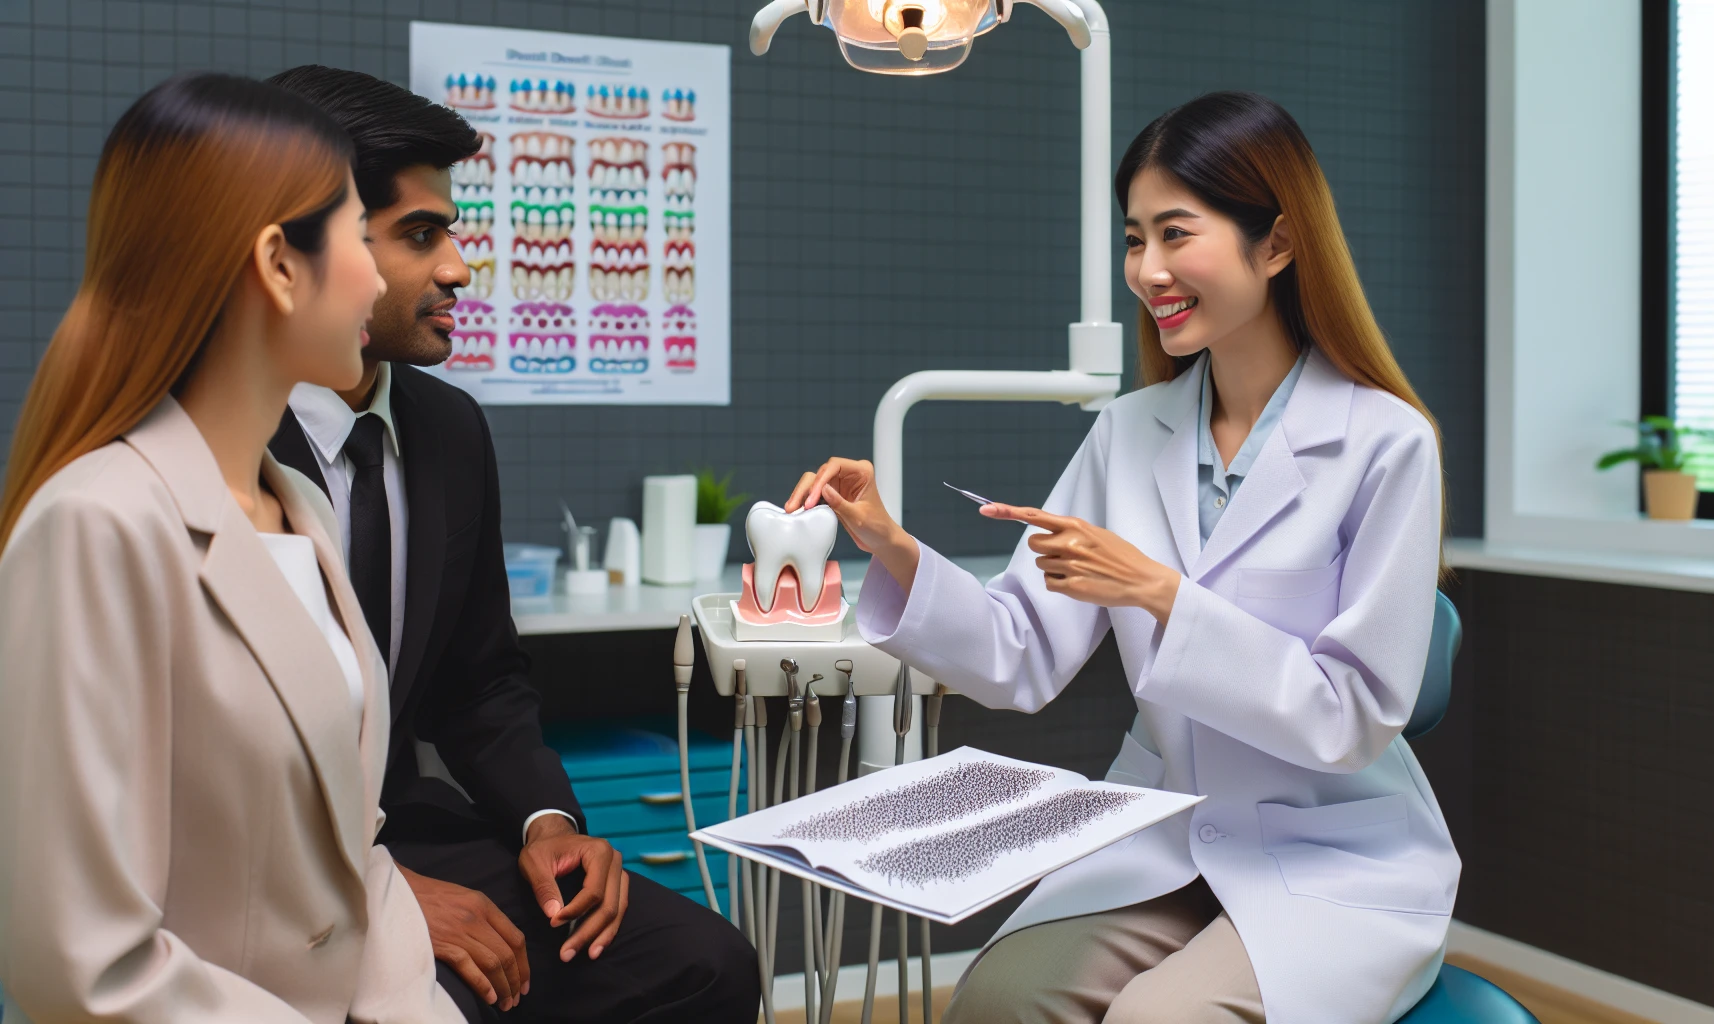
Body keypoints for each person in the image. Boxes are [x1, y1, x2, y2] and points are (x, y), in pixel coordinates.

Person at [788, 92, 1460, 1024]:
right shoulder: (1127, 434)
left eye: (1176, 234)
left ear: (1276, 243)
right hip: (1166, 832)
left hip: (1330, 854)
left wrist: (1160, 594)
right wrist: (894, 548)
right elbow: (1018, 649)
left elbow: (1350, 718)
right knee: (994, 1002)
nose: (1147, 270)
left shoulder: (1386, 445)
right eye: (1134, 238)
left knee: (1158, 1020)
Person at [265, 66, 757, 1024]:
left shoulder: (448, 430)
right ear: (303, 249)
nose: (458, 268)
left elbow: (480, 680)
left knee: (708, 965)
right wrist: (383, 899)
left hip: (403, 824)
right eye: (419, 235)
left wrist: (549, 823)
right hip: (273, 860)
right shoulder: (216, 441)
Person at [0, 73, 462, 1023]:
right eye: (356, 238)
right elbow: (84, 968)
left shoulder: (297, 509)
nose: (380, 279)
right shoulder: (97, 527)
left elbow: (355, 860)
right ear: (279, 264)